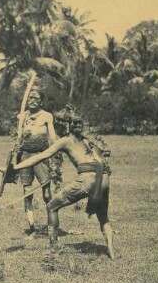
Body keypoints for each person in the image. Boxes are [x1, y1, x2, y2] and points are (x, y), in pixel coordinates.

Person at [13, 109, 116, 258]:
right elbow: (104, 155)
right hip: (104, 178)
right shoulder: (88, 139)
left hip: (88, 179)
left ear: (65, 127)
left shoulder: (65, 140)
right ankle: (111, 250)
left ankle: (54, 248)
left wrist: (15, 167)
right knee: (103, 217)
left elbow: (40, 156)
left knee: (51, 206)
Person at [14, 87, 57, 239]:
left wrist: (54, 155)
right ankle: (32, 229)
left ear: (41, 101)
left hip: (41, 156)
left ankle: (52, 227)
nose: (32, 101)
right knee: (27, 193)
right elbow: (17, 138)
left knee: (46, 193)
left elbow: (52, 138)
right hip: (25, 156)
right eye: (30, 98)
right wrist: (17, 144)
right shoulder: (22, 117)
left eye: (36, 98)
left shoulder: (46, 116)